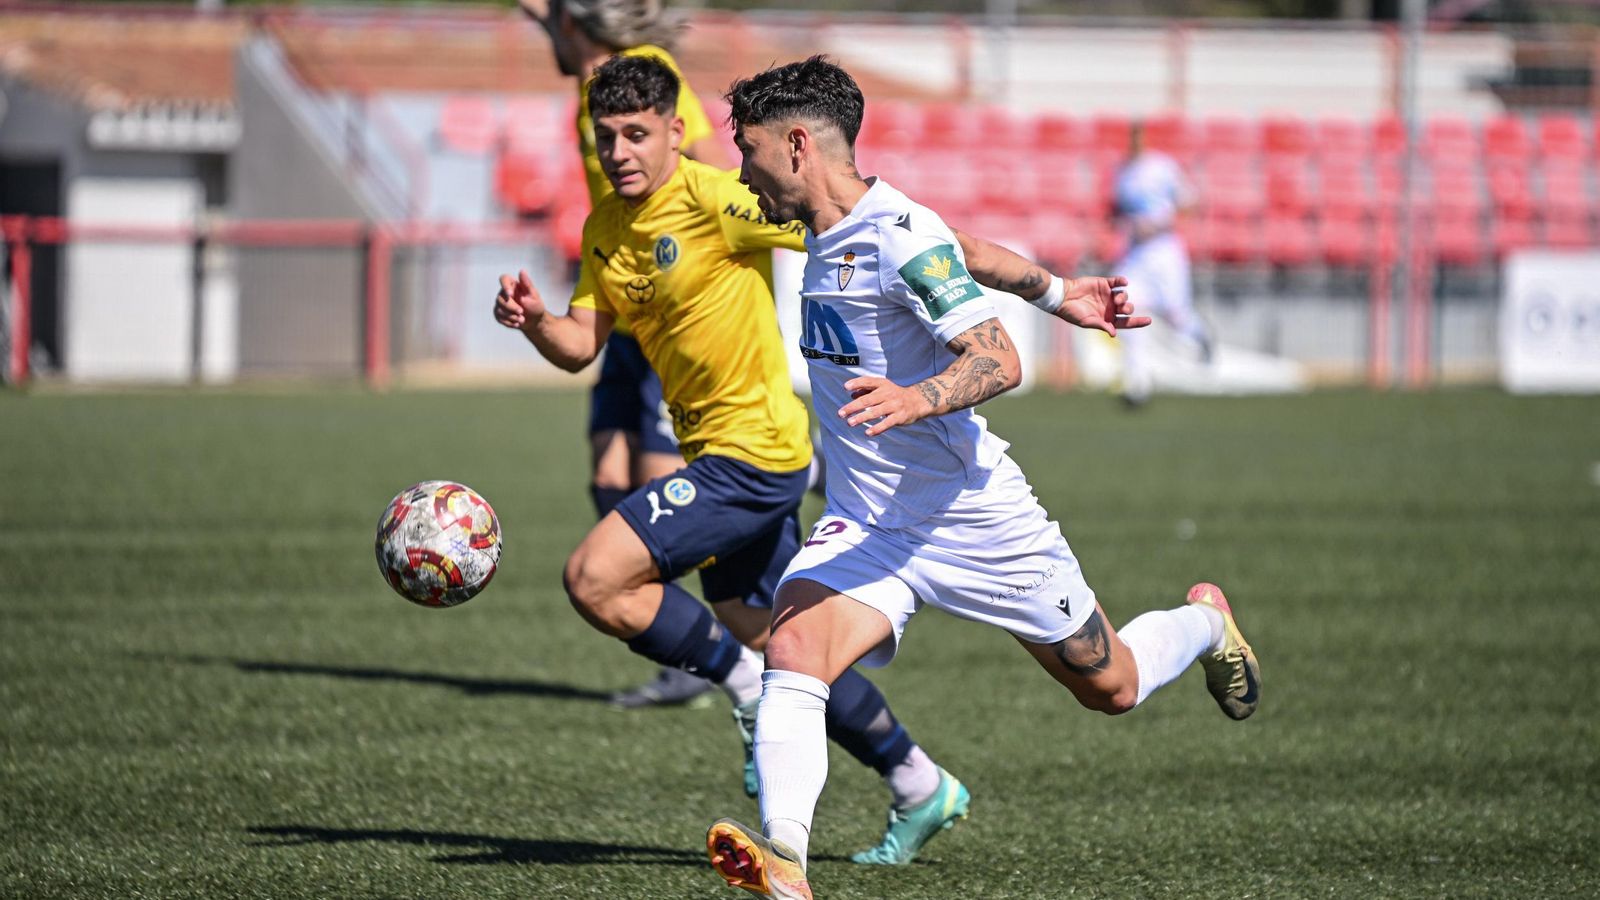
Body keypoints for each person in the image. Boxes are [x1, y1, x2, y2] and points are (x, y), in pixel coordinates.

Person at [706, 57, 1261, 900]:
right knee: (793, 643)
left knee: (1110, 683)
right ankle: (786, 861)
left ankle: (1202, 624)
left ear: (795, 146)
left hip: (973, 516)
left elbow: (996, 361)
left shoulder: (896, 236)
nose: (742, 172)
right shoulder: (831, 225)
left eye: (747, 151)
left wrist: (915, 396)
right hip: (869, 522)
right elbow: (963, 248)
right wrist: (1056, 288)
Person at [493, 53, 1062, 866]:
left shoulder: (720, 198)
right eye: (605, 136)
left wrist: (1045, 287)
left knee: (597, 576)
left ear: (674, 134)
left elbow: (883, 232)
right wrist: (536, 320)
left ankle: (739, 687)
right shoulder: (604, 231)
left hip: (757, 453)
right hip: (712, 452)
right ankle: (916, 779)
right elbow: (581, 346)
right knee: (785, 643)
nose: (619, 151)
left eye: (637, 134)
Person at [519, 0, 729, 707]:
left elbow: (705, 170)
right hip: (621, 309)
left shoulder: (646, 77)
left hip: (664, 311)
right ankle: (676, 643)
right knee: (608, 470)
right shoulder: (593, 88)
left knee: (658, 481)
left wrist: (687, 277)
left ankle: (706, 658)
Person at [1111, 121, 1211, 408]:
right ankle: (1136, 384)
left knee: (1175, 313)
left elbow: (1190, 201)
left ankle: (1199, 336)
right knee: (1127, 309)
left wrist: (1162, 222)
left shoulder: (1162, 167)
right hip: (1135, 254)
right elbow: (1117, 210)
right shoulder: (1122, 172)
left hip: (1163, 251)